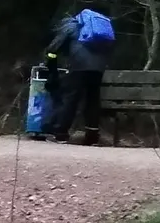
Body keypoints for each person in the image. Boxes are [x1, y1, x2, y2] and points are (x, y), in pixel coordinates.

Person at [42, 9, 114, 145]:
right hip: (98, 69)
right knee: (92, 100)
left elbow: (53, 49)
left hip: (80, 67)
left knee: (71, 99)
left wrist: (51, 65)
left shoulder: (70, 26)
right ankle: (92, 137)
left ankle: (60, 134)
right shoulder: (95, 27)